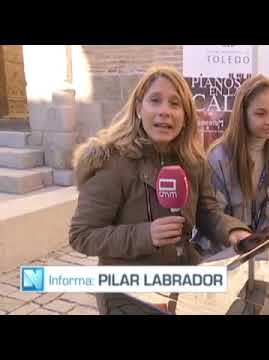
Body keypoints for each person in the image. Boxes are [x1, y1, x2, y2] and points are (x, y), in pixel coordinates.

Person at [69, 65, 252, 314]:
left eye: (175, 104)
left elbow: (207, 213)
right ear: (138, 108)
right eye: (155, 101)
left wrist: (234, 232)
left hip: (183, 284)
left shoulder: (194, 161)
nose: (165, 111)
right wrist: (146, 235)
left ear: (186, 115)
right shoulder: (111, 161)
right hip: (129, 294)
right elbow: (82, 235)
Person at [197, 74, 269, 255]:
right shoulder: (218, 159)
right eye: (260, 113)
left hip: (259, 259)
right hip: (221, 259)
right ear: (242, 114)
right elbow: (211, 219)